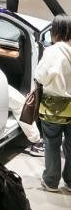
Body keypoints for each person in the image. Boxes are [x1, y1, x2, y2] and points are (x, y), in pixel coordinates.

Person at [34, 14, 71, 192]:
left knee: (51, 143)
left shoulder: (52, 51)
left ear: (55, 32)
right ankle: (70, 181)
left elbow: (40, 76)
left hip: (53, 107)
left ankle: (51, 181)